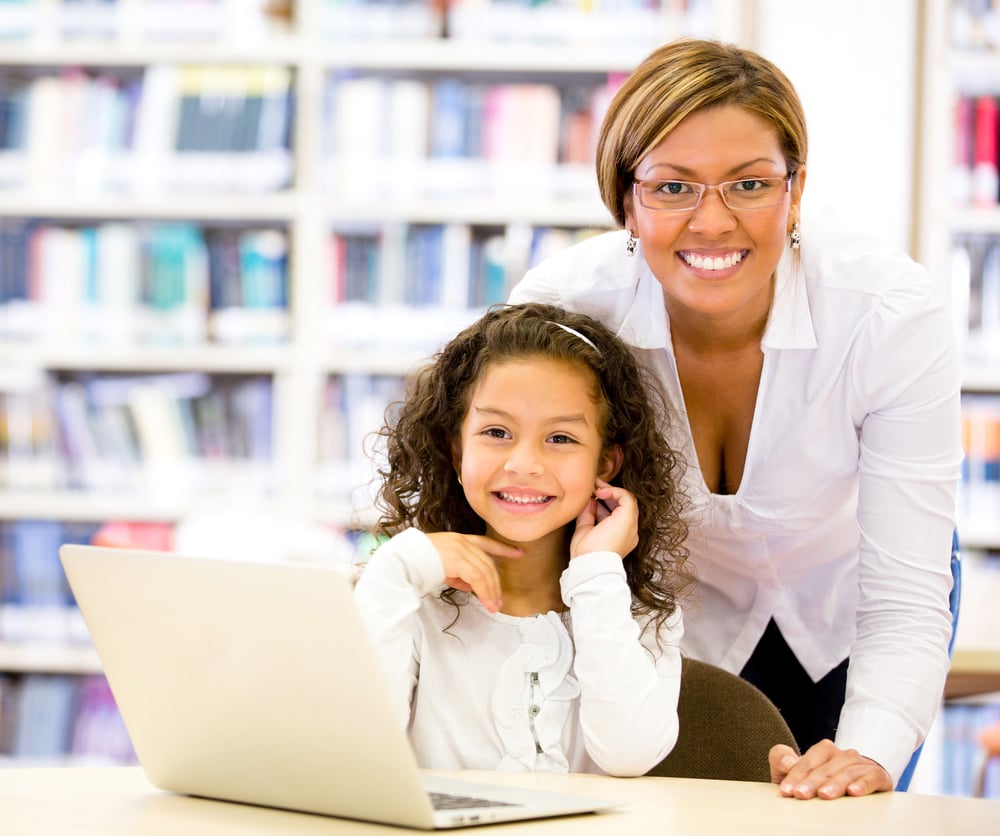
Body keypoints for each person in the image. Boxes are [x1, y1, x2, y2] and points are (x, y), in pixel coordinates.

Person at [508, 38, 963, 799]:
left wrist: (874, 748)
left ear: (796, 191)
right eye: (673, 187)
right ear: (626, 198)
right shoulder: (567, 310)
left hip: (853, 602)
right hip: (668, 613)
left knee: (845, 807)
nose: (712, 222)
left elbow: (905, 596)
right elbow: (512, 503)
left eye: (749, 184)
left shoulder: (887, 314)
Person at [354, 302, 690, 776]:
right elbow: (358, 754)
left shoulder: (637, 613)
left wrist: (596, 573)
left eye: (560, 439)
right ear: (457, 450)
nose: (524, 464)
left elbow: (629, 756)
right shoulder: (411, 601)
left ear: (606, 464)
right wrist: (396, 569)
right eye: (496, 432)